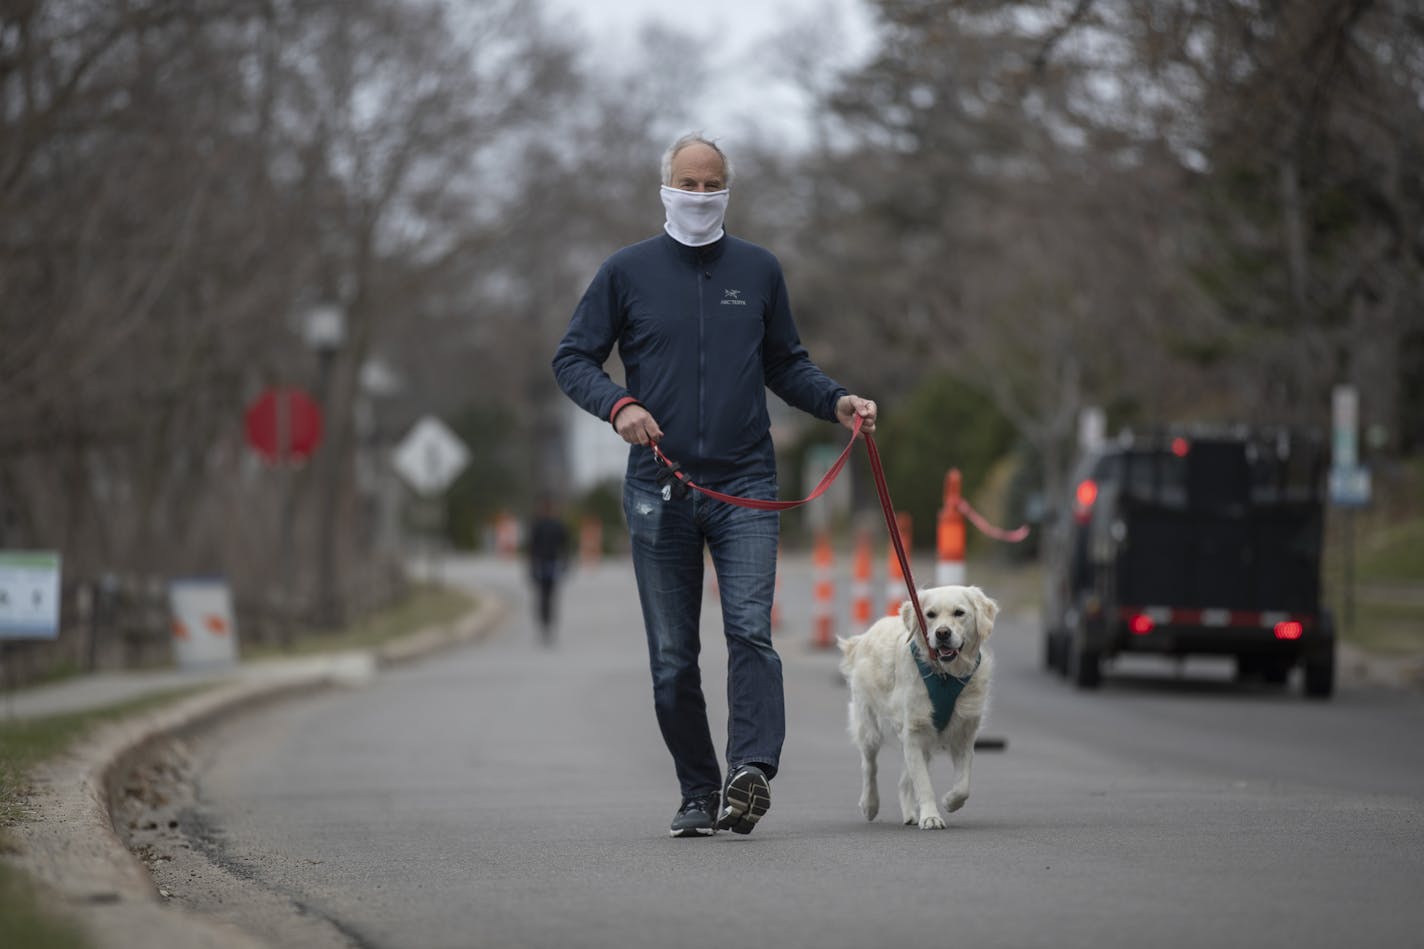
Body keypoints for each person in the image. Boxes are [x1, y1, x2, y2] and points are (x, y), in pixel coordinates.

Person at [552, 132, 878, 837]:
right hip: (657, 486)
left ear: (727, 189)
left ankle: (750, 770)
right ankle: (699, 789)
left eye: (712, 184)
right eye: (688, 183)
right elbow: (572, 357)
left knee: (749, 630)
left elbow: (787, 363)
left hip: (746, 483)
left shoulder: (758, 270)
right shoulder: (626, 272)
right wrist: (620, 406)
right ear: (665, 186)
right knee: (673, 659)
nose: (700, 196)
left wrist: (837, 401)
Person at [526, 493, 571, 646]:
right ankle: (544, 624)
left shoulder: (557, 525)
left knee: (549, 596)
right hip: (541, 564)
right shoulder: (537, 525)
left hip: (552, 564)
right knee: (543, 597)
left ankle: (548, 624)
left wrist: (565, 563)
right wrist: (531, 566)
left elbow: (564, 546)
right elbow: (532, 547)